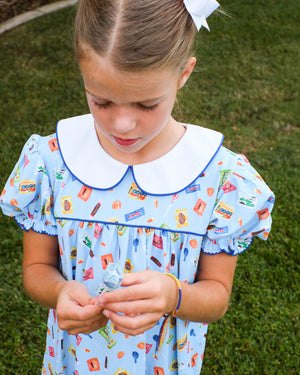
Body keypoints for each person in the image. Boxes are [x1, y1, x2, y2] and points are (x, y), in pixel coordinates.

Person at [0, 0, 275, 374]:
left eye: (147, 104)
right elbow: (36, 268)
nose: (122, 124)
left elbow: (216, 296)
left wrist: (174, 296)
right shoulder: (52, 161)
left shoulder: (220, 179)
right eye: (101, 101)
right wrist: (59, 291)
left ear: (184, 74)